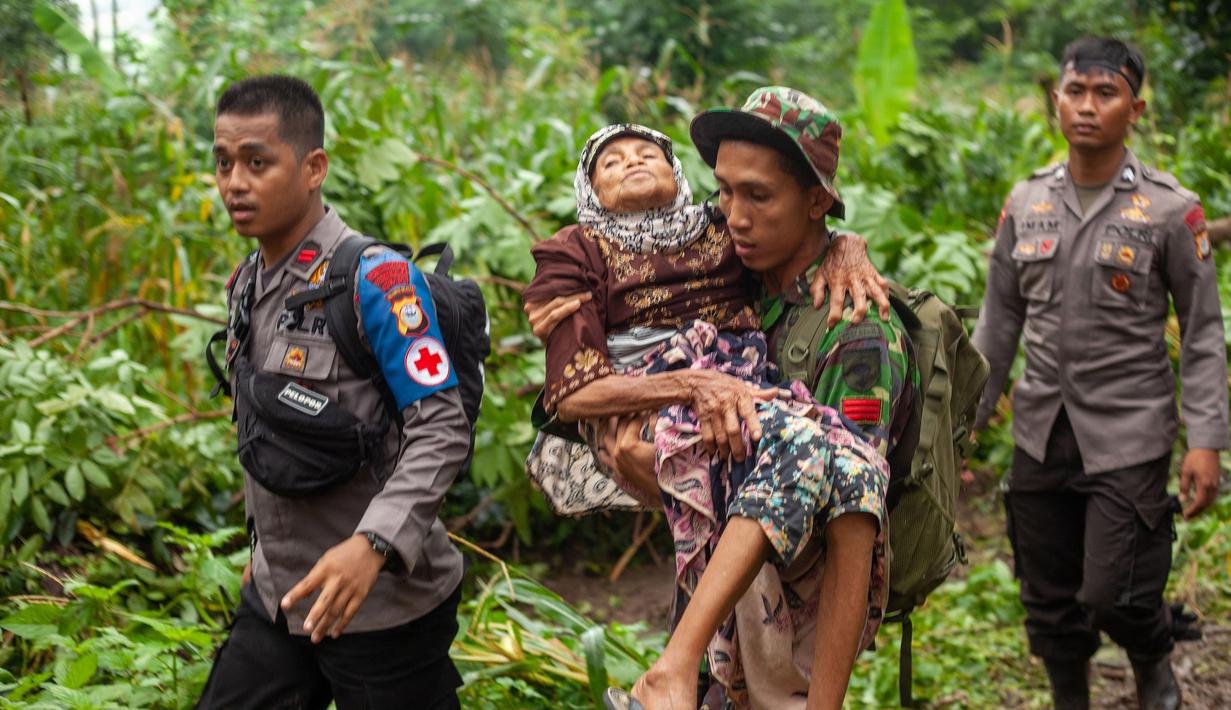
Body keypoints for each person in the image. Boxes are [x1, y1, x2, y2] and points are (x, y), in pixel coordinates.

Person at [523, 88, 902, 710]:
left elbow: (848, 512)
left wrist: (846, 243)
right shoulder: (743, 273)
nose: (735, 217)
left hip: (784, 633)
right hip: (715, 609)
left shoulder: (853, 328)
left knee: (848, 465)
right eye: (724, 192)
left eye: (758, 196)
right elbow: (592, 385)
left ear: (816, 201)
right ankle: (676, 669)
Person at [196, 76, 471, 710]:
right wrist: (263, 547)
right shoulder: (247, 283)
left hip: (382, 606)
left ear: (313, 168)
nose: (234, 183)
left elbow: (441, 428)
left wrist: (373, 547)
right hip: (281, 594)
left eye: (257, 162)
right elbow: (263, 425)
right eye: (223, 162)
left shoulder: (378, 281)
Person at [973, 38, 1227, 710]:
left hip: (1129, 432)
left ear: (1133, 109)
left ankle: (1151, 658)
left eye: (1105, 94)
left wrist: (1206, 440)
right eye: (1075, 92)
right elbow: (999, 320)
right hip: (1040, 429)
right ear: (1055, 101)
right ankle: (1070, 700)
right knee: (1047, 597)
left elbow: (1202, 331)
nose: (1087, 107)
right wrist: (966, 418)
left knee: (1115, 592)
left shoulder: (1170, 210)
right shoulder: (1026, 201)